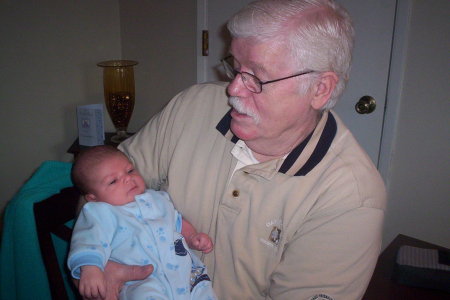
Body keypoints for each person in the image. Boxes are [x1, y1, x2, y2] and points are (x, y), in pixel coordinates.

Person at [100, 0, 387, 299]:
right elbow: (99, 186)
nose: (233, 89)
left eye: (256, 78)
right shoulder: (191, 106)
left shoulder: (351, 198)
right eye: (236, 68)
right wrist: (102, 259)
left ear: (320, 89)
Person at [68, 145, 216, 300]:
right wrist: (91, 269)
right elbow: (87, 242)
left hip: (186, 275)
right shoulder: (99, 213)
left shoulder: (159, 199)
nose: (127, 178)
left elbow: (177, 221)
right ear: (93, 198)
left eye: (130, 170)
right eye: (113, 181)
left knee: (204, 291)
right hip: (142, 281)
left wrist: (192, 237)